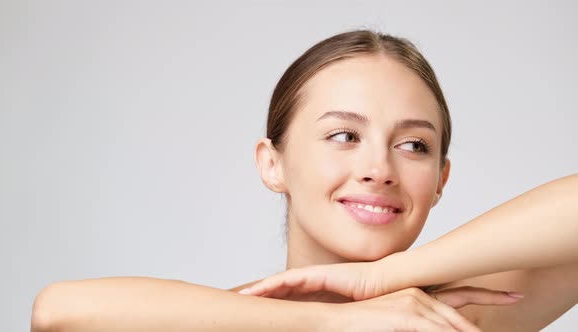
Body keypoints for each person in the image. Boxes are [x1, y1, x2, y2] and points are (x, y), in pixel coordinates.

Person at [31, 29, 578, 332]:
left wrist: (385, 280)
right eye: (343, 135)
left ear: (440, 180)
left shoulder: (461, 321)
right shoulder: (218, 326)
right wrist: (332, 324)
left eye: (414, 145)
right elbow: (58, 313)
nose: (379, 169)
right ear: (273, 163)